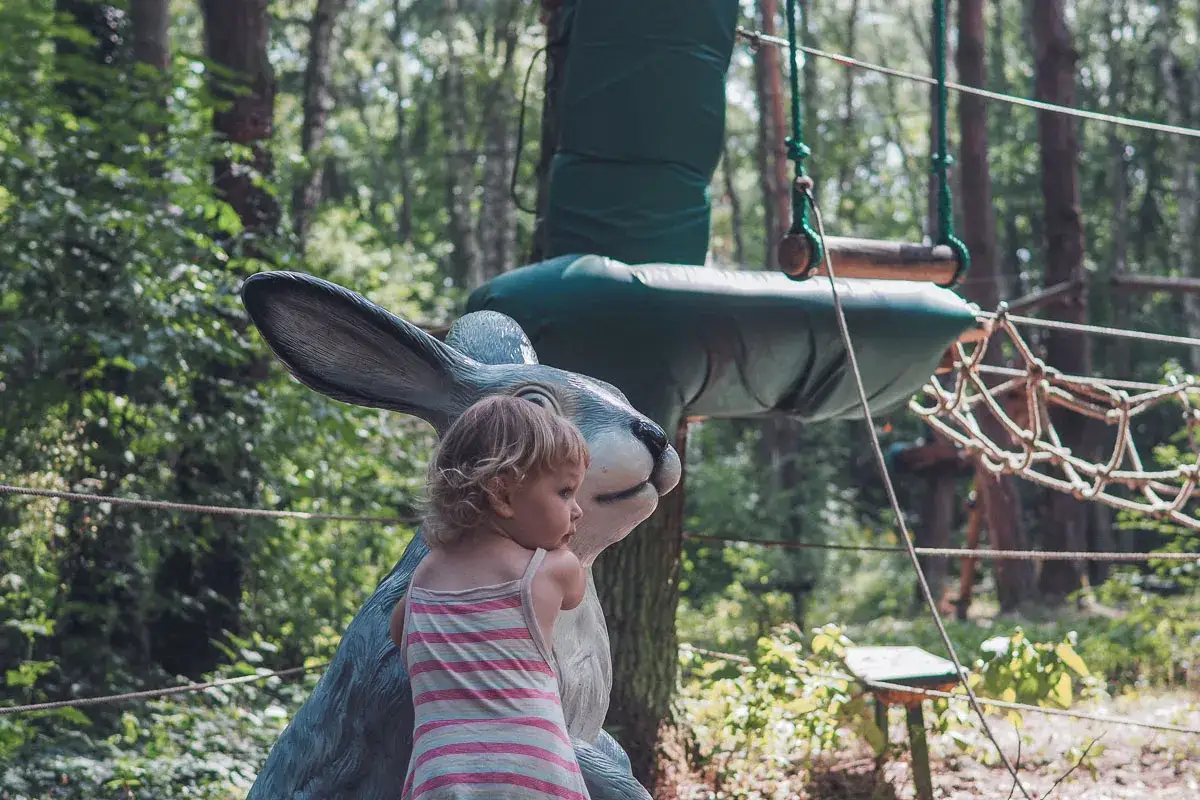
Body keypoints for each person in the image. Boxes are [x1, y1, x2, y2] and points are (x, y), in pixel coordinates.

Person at [390, 394, 591, 800]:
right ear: (501, 494)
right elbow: (575, 594)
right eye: (565, 492)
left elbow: (399, 633)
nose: (578, 511)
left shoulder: (423, 578)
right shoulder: (550, 570)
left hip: (443, 776)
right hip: (533, 770)